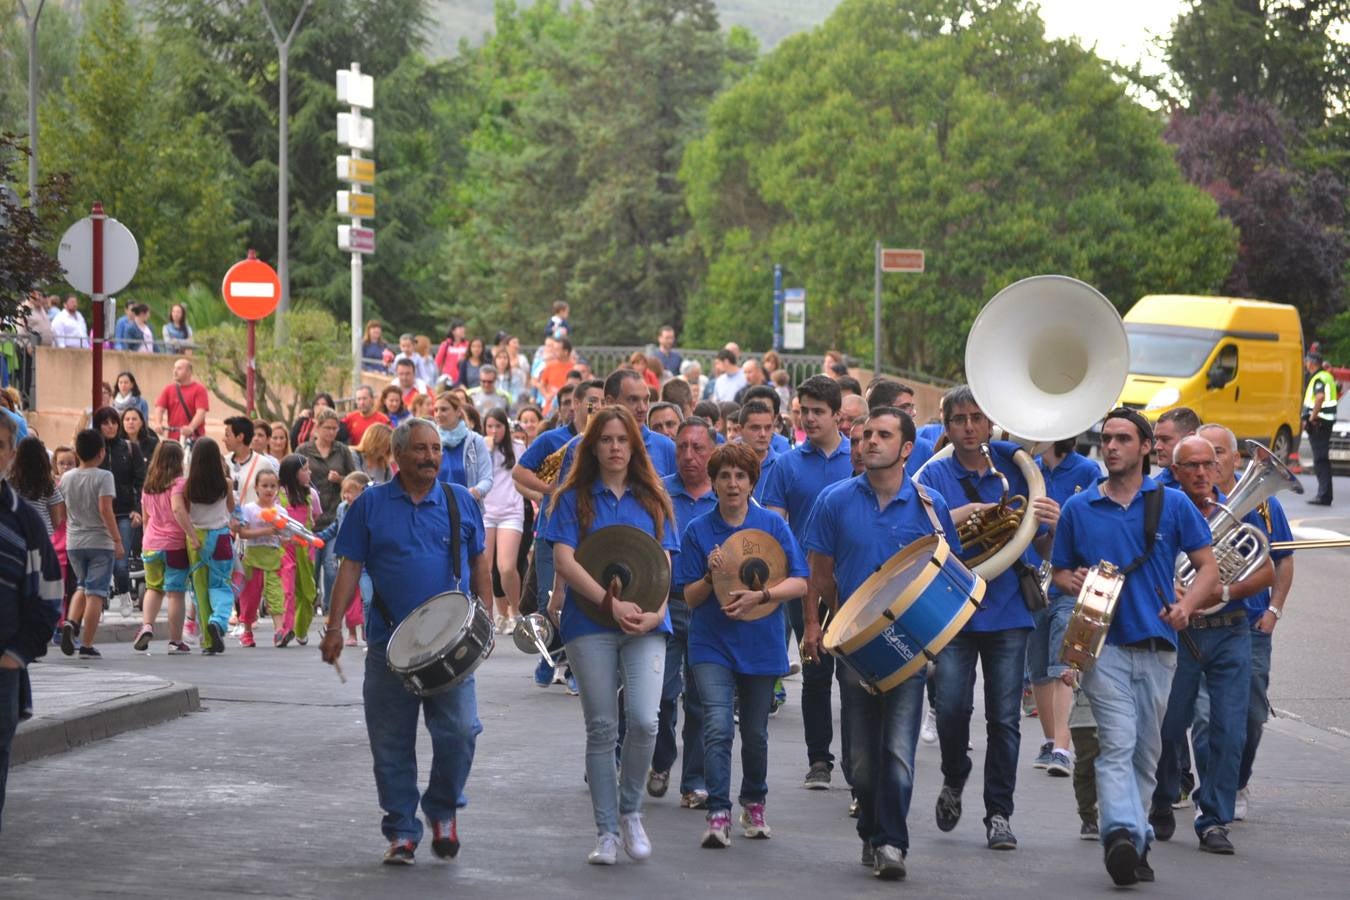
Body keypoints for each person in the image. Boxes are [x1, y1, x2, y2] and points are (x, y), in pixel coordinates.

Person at [1050, 408, 1219, 886]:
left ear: (1146, 447)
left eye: (1123, 438)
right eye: (1106, 439)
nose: (1112, 447)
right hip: (1104, 649)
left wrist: (1188, 608)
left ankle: (1136, 836)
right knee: (1118, 743)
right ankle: (1119, 833)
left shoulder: (1173, 504)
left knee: (1146, 752)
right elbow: (1059, 572)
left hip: (1161, 646)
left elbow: (1207, 568)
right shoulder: (1080, 508)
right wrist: (1072, 580)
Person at [320, 417, 491, 865]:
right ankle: (401, 831)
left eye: (435, 449)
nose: (431, 456)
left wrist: (486, 617)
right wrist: (335, 627)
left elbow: (480, 564)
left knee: (460, 732)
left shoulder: (459, 501)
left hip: (450, 647)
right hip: (387, 648)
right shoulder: (370, 505)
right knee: (390, 743)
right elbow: (350, 569)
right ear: (398, 455)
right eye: (421, 449)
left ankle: (442, 809)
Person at [802, 407, 961, 879]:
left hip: (909, 646)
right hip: (854, 645)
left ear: (906, 448)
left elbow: (948, 577)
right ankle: (871, 828)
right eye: (866, 434)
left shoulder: (932, 507)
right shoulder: (833, 500)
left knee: (897, 751)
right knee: (861, 762)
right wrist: (816, 626)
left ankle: (892, 843)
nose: (870, 441)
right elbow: (818, 575)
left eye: (882, 434)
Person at [915, 385, 1060, 851]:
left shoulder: (1018, 465)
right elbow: (924, 535)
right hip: (955, 607)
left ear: (990, 422)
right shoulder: (934, 472)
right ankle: (955, 774)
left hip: (1008, 609)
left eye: (977, 418)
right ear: (946, 425)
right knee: (953, 708)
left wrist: (1048, 528)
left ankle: (999, 813)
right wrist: (971, 513)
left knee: (1004, 719)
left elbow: (1038, 546)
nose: (969, 427)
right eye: (959, 420)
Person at [542, 406, 678, 865]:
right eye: (606, 440)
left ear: (635, 446)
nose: (615, 447)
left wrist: (656, 615)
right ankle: (605, 833)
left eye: (623, 440)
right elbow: (565, 560)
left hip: (646, 624)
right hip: (590, 624)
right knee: (601, 728)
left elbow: (665, 562)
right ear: (592, 446)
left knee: (644, 720)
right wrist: (608, 603)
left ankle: (631, 812)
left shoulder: (655, 498)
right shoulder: (571, 497)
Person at [677, 442, 807, 848]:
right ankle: (718, 813)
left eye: (740, 476)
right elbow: (689, 598)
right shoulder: (699, 530)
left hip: (762, 641)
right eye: (724, 476)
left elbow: (800, 582)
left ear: (752, 482)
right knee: (717, 725)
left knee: (754, 732)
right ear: (713, 483)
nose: (732, 484)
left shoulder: (772, 526)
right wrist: (709, 574)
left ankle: (754, 803)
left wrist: (763, 597)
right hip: (711, 642)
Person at [1150, 435, 1271, 855]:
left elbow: (1266, 570)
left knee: (1229, 727)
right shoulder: (1162, 507)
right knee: (1169, 724)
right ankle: (1163, 796)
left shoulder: (1237, 509)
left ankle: (1214, 819)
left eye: (1208, 464)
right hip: (1181, 635)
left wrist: (1223, 592)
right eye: (1193, 466)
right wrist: (1175, 588)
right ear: (1177, 471)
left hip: (1231, 629)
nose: (1203, 473)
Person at [759, 375, 854, 790]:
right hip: (806, 585)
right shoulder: (786, 465)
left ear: (837, 415)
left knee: (855, 677)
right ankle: (819, 759)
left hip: (855, 582)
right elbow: (773, 524)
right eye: (804, 411)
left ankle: (856, 759)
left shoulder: (860, 457)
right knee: (816, 672)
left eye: (819, 412)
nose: (810, 419)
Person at [1197, 424, 1294, 822]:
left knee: (1251, 716)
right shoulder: (1189, 500)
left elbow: (1283, 561)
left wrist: (1274, 611)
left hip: (1249, 624)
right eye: (1207, 452)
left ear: (1236, 459)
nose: (1214, 461)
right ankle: (1212, 791)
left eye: (1220, 452)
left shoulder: (1266, 504)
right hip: (1198, 627)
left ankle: (1236, 781)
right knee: (1204, 718)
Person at [651, 417, 718, 809]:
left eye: (698, 448)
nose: (689, 456)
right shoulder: (658, 492)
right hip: (664, 602)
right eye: (682, 447)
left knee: (700, 698)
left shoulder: (726, 495)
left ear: (711, 451)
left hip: (708, 608)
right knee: (659, 694)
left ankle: (694, 781)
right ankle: (660, 760)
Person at [0, 414, 62, 833]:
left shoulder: (24, 521)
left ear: (10, 454)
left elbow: (50, 594)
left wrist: (17, 654)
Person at [1029, 435, 1102, 777]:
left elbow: (1095, 528)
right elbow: (1040, 544)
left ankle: (1062, 747)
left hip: (1069, 583)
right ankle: (1048, 741)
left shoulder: (1087, 470)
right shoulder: (1029, 470)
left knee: (1063, 668)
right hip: (1033, 582)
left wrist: (1063, 523)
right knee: (1039, 670)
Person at [58, 429, 124, 659]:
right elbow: (106, 510)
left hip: (74, 541)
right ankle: (86, 644)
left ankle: (70, 622)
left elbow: (61, 511)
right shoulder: (104, 476)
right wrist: (117, 540)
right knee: (96, 592)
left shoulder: (66, 478)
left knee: (81, 586)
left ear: (77, 452)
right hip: (100, 541)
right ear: (101, 452)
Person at [132, 441, 194, 654]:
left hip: (151, 544)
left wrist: (146, 541)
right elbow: (178, 509)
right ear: (178, 461)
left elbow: (147, 517)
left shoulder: (149, 486)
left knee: (153, 588)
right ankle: (175, 641)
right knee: (176, 593)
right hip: (174, 545)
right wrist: (192, 535)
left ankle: (146, 625)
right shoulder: (178, 484)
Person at [296, 408, 356, 613]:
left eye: (334, 428)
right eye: (327, 428)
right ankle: (310, 604)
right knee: (311, 566)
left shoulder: (342, 450)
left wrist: (340, 480)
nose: (331, 432)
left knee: (331, 566)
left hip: (334, 517)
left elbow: (356, 480)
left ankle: (330, 607)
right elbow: (292, 474)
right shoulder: (304, 450)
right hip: (309, 518)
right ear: (317, 428)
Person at [182, 437, 236, 655]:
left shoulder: (187, 486)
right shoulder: (226, 483)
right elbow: (231, 508)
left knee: (200, 590)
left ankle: (207, 640)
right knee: (221, 585)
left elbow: (185, 512)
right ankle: (219, 621)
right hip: (221, 537)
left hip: (196, 539)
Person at [93, 406, 145, 613]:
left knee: (120, 560)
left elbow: (141, 481)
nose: (111, 426)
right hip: (99, 512)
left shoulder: (130, 448)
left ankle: (124, 593)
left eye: (114, 422)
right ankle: (102, 599)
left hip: (124, 511)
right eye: (106, 422)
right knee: (100, 558)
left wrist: (137, 509)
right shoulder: (94, 450)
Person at [480, 408, 525, 633]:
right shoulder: (479, 446)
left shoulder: (517, 447)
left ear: (506, 428)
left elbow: (525, 474)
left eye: (498, 426)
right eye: (490, 426)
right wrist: (486, 451)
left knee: (506, 567)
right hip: (486, 511)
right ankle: (490, 614)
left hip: (510, 511)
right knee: (484, 567)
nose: (494, 431)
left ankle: (514, 611)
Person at [235, 468, 288, 649]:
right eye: (264, 485)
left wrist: (285, 535)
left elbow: (286, 537)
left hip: (273, 557)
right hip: (253, 557)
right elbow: (242, 533)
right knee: (250, 598)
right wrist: (265, 530)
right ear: (256, 488)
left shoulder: (281, 511)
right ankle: (247, 630)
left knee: (275, 594)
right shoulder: (249, 509)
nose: (268, 490)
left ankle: (279, 631)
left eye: (273, 486)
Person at [276, 454, 322, 646]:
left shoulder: (311, 494)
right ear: (293, 473)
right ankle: (285, 630)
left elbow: (315, 517)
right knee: (288, 589)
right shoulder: (279, 494)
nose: (309, 472)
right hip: (284, 548)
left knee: (307, 592)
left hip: (305, 549)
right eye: (305, 469)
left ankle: (300, 628)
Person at [604, 368, 677, 477]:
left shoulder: (666, 447)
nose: (642, 408)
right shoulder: (584, 446)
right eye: (633, 400)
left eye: (646, 400)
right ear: (610, 402)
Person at [431, 392, 492, 502]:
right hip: (436, 507)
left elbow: (487, 479)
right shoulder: (430, 440)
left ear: (458, 412)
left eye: (444, 409)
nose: (438, 414)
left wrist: (475, 492)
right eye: (436, 410)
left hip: (466, 507)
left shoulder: (475, 440)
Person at [1302, 350, 1336, 505]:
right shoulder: (1327, 376)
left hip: (1319, 424)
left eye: (1307, 361)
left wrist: (1311, 418)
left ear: (1311, 363)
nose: (1305, 364)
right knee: (1323, 460)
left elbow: (1320, 397)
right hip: (1324, 424)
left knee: (1320, 460)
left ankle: (1323, 495)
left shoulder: (1319, 378)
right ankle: (1325, 494)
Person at [223, 416, 278, 508]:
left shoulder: (263, 464)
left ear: (240, 437)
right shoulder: (224, 462)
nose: (223, 439)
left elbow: (273, 494)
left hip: (254, 520)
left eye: (227, 435)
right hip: (227, 521)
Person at [154, 358, 210, 443]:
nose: (175, 371)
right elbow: (159, 408)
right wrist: (158, 423)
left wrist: (191, 427)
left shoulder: (199, 389)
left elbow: (201, 412)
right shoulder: (168, 389)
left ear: (189, 372)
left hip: (194, 438)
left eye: (179, 368)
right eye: (174, 368)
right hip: (173, 439)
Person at [434, 321, 469, 386]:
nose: (462, 330)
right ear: (453, 331)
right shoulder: (446, 345)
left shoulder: (468, 345)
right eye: (460, 327)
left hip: (463, 380)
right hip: (447, 380)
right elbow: (437, 362)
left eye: (463, 328)